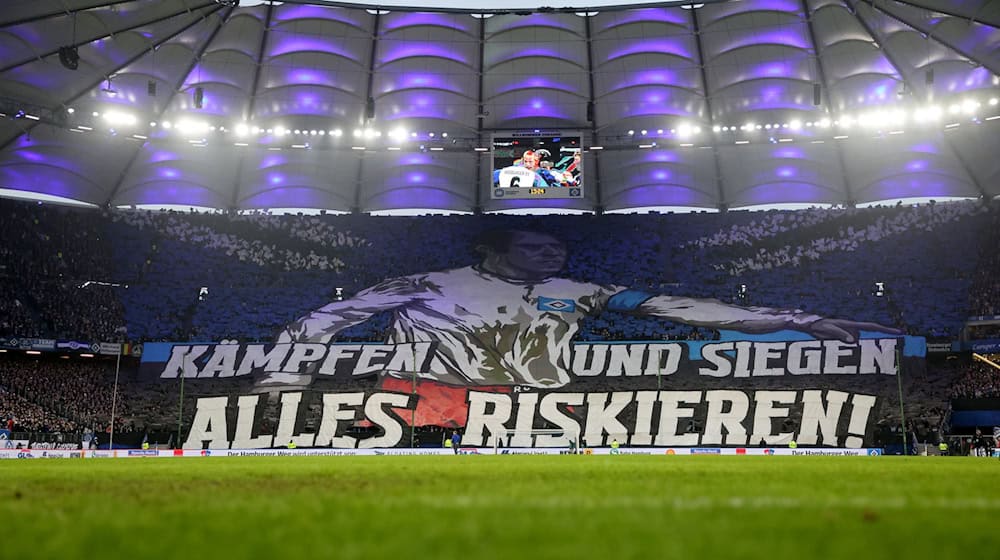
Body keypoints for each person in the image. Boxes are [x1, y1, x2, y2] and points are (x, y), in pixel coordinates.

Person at [263, 229, 900, 388]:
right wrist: (290, 369)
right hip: (432, 395)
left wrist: (801, 319)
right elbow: (327, 317)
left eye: (557, 244)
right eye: (535, 243)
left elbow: (680, 308)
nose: (551, 251)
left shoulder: (576, 292)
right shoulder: (428, 281)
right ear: (492, 247)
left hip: (541, 403)